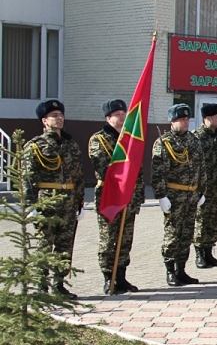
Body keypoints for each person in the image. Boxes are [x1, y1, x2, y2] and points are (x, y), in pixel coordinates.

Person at [24, 99, 85, 298]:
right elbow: (28, 177)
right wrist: (31, 205)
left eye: (60, 115)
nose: (59, 119)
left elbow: (78, 175)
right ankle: (42, 288)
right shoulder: (35, 146)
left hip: (68, 201)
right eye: (54, 116)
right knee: (44, 245)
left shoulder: (71, 145)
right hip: (46, 202)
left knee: (65, 245)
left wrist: (80, 202)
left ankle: (59, 285)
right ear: (44, 121)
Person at [89, 99, 143, 294]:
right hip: (110, 196)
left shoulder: (130, 139)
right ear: (108, 118)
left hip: (130, 197)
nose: (122, 118)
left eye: (123, 114)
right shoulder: (99, 139)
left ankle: (121, 277)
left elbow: (138, 169)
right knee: (109, 239)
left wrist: (138, 193)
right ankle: (107, 277)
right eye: (117, 115)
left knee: (125, 239)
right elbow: (103, 168)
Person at [152, 104, 206, 286]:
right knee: (172, 235)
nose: (185, 122)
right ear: (172, 121)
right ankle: (170, 271)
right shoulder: (164, 142)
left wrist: (201, 191)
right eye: (181, 120)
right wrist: (161, 196)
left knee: (187, 235)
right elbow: (158, 172)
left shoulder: (193, 140)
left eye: (187, 119)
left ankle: (181, 270)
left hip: (191, 196)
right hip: (174, 197)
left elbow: (201, 167)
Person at [193, 103, 217, 268]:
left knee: (214, 221)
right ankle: (200, 254)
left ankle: (209, 252)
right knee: (201, 220)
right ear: (207, 118)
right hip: (202, 188)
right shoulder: (196, 138)